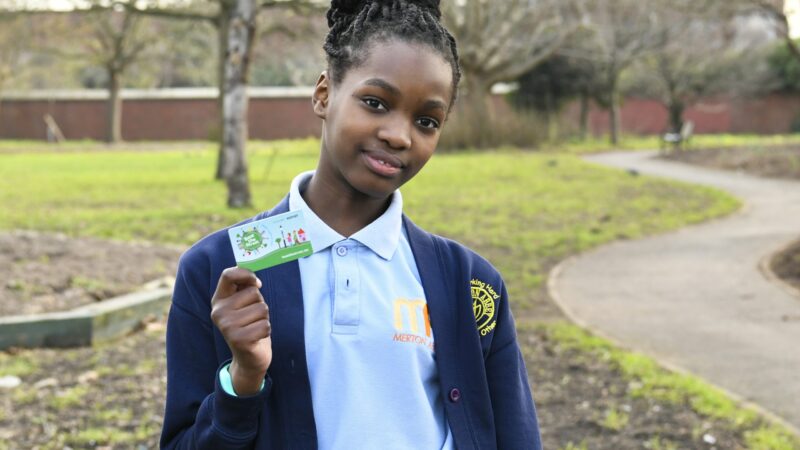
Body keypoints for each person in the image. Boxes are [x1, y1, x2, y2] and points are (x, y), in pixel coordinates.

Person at [160, 0, 541, 448]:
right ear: (324, 95)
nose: (399, 136)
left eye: (426, 121)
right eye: (376, 103)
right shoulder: (219, 268)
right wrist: (242, 380)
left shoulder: (470, 283)